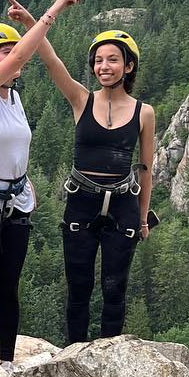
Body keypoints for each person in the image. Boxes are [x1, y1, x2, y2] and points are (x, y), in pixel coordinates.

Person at [0, 0, 83, 371]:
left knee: (7, 287)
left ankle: (6, 363)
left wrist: (22, 183)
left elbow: (11, 148)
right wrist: (52, 10)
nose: (13, 59)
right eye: (4, 54)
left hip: (13, 203)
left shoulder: (15, 98)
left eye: (12, 51)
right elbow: (27, 54)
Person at [51, 28, 157, 342]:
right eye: (98, 60)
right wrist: (36, 22)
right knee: (78, 286)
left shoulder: (144, 113)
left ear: (129, 66)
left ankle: (110, 356)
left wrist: (142, 218)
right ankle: (74, 355)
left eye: (112, 59)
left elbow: (146, 169)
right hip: (82, 201)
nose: (103, 66)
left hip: (123, 204)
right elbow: (52, 61)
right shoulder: (81, 99)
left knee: (115, 287)